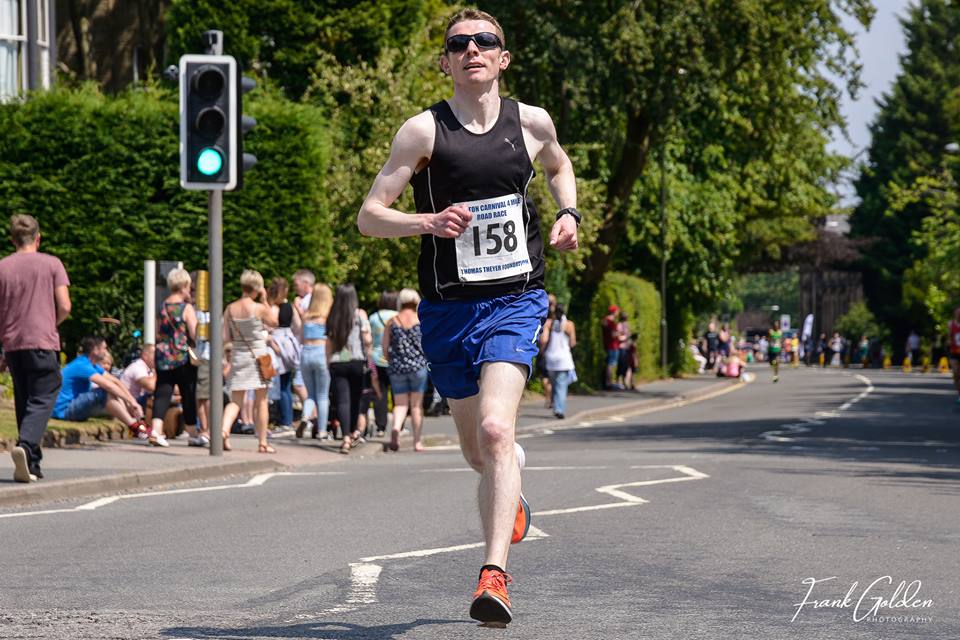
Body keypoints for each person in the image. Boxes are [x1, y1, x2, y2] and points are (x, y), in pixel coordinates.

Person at [357, 7, 580, 624]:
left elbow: (560, 167)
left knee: (496, 431)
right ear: (446, 61)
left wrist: (569, 215)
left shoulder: (532, 123)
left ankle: (494, 575)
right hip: (447, 310)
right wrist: (426, 222)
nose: (472, 50)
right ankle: (512, 492)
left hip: (516, 300)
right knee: (476, 453)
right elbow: (369, 216)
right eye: (459, 44)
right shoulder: (421, 133)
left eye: (485, 42)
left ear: (503, 58)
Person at [0, 214, 72, 482]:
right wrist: (51, 322)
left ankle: (32, 464)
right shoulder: (52, 264)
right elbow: (65, 305)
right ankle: (27, 445)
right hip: (42, 340)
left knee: (25, 400)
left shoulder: (3, 267)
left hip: (14, 344)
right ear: (38, 238)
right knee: (45, 395)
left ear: (12, 239)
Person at [221, 270, 278, 453]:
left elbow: (225, 336)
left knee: (236, 400)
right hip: (260, 356)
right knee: (261, 400)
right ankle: (262, 442)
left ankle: (223, 430)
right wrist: (265, 301)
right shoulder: (259, 308)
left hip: (239, 355)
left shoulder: (230, 308)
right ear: (257, 288)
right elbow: (274, 322)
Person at [150, 268, 201, 447]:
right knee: (188, 394)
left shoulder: (162, 306)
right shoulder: (186, 308)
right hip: (182, 357)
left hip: (163, 355)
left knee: (162, 392)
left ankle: (156, 431)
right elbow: (195, 334)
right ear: (184, 285)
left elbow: (157, 333)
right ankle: (193, 433)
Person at [53, 336, 146, 431]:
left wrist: (132, 402)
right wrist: (131, 402)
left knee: (115, 392)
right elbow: (108, 385)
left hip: (74, 406)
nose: (106, 352)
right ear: (95, 350)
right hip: (64, 410)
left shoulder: (91, 364)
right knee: (105, 392)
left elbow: (115, 381)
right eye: (104, 348)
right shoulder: (81, 365)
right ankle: (135, 427)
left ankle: (134, 424)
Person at [326, 283, 372, 454]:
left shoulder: (332, 316)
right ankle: (353, 432)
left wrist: (327, 361)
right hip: (357, 361)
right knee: (355, 399)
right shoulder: (360, 315)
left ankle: (345, 437)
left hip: (337, 362)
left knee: (342, 400)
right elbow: (367, 340)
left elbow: (329, 342)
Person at [382, 288, 429, 451]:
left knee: (400, 404)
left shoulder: (392, 321)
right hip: (418, 367)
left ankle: (396, 428)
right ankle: (417, 441)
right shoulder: (420, 320)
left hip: (397, 367)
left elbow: (385, 347)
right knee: (416, 406)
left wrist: (391, 360)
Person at [267, 277, 302, 432]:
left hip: (275, 344)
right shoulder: (290, 306)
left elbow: (270, 324)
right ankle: (286, 420)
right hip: (288, 343)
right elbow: (298, 326)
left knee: (277, 385)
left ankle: (284, 420)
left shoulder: (273, 307)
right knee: (286, 384)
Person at [299, 283, 333, 439]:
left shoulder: (306, 316)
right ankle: (322, 431)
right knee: (322, 395)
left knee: (310, 394)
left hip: (306, 353)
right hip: (321, 353)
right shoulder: (327, 317)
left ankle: (306, 417)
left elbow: (301, 338)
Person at [367, 290, 399, 437]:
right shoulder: (397, 317)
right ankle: (399, 425)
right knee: (397, 393)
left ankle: (381, 426)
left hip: (376, 358)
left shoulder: (373, 317)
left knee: (380, 393)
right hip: (393, 359)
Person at [541, 303, 576, 419]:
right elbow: (572, 343)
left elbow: (544, 340)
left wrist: (542, 351)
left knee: (555, 385)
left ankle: (556, 406)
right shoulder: (569, 325)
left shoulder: (549, 323)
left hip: (551, 358)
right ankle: (559, 409)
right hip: (564, 358)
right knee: (561, 386)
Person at [291, 269, 316, 422]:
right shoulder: (311, 299)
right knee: (310, 385)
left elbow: (308, 323)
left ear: (306, 283)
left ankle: (311, 416)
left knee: (299, 384)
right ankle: (312, 416)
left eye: (297, 284)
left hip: (308, 346)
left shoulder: (307, 301)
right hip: (310, 347)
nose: (296, 288)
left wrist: (297, 308)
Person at [118, 344, 157, 438]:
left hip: (137, 401)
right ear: (145, 356)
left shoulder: (148, 369)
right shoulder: (138, 367)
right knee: (154, 399)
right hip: (128, 403)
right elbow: (151, 386)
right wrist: (158, 370)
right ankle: (151, 429)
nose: (158, 357)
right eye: (155, 354)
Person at [537, 293, 557, 407]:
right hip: (558, 352)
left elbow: (543, 339)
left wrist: (541, 350)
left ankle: (549, 398)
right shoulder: (561, 320)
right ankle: (553, 399)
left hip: (546, 352)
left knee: (546, 377)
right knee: (553, 377)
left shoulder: (545, 321)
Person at [602, 305, 622, 389]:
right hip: (613, 345)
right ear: (614, 312)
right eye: (617, 311)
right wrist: (619, 333)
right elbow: (613, 334)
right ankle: (609, 383)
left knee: (609, 364)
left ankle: (608, 382)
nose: (618, 313)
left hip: (608, 344)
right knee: (611, 364)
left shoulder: (605, 320)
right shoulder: (611, 322)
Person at [948, 307, 960, 404]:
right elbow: (949, 337)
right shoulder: (950, 324)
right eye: (957, 313)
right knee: (956, 373)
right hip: (954, 352)